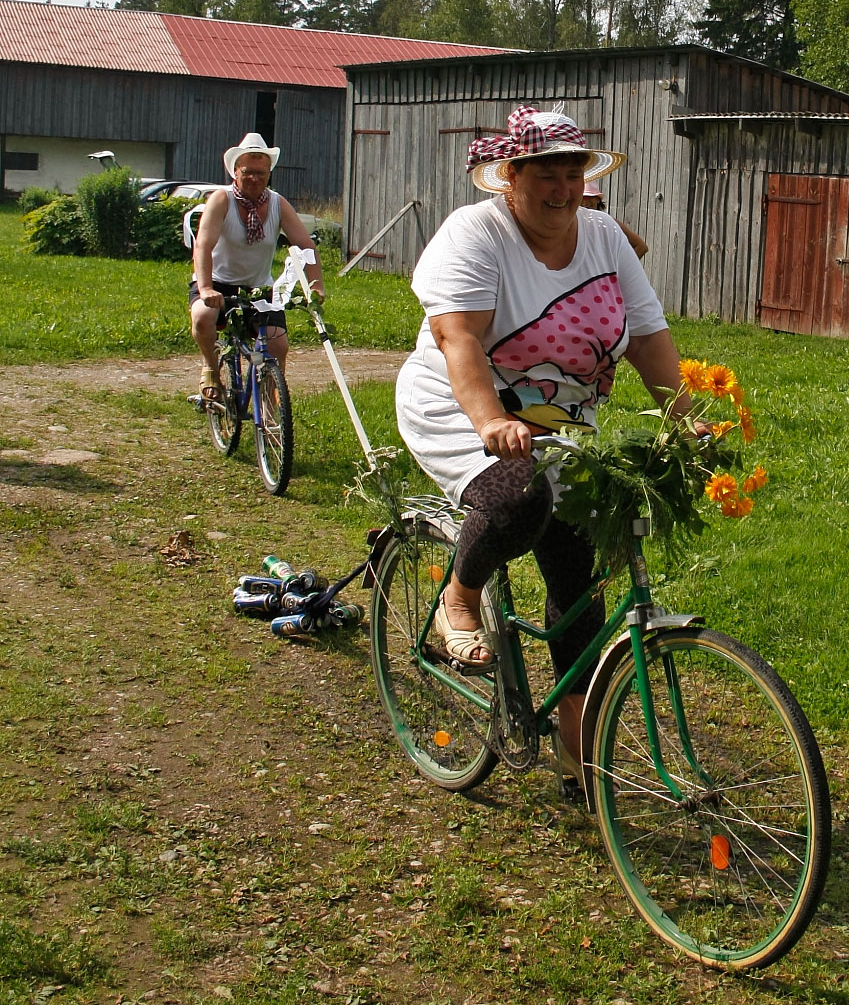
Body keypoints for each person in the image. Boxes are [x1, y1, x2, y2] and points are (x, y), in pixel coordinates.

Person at [395, 103, 699, 774]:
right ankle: (459, 599)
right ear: (511, 177)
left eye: (573, 173)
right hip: (460, 405)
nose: (562, 189)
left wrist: (683, 417)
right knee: (517, 499)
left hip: (560, 422)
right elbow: (457, 337)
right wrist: (490, 421)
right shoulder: (476, 232)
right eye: (546, 175)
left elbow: (648, 337)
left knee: (579, 572)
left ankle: (576, 754)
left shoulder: (605, 238)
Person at [189, 133, 324, 400]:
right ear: (236, 171)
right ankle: (210, 368)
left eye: (261, 173)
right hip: (218, 282)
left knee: (277, 344)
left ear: (269, 173)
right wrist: (205, 288)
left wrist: (316, 286)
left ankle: (272, 407)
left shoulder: (277, 203)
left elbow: (304, 245)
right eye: (248, 172)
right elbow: (203, 244)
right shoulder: (222, 199)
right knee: (203, 317)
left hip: (258, 287)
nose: (254, 178)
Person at [581, 180, 649, 259]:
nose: (585, 202)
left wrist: (621, 265)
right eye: (582, 197)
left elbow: (641, 247)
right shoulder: (572, 225)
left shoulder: (610, 224)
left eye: (590, 197)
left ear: (598, 200)